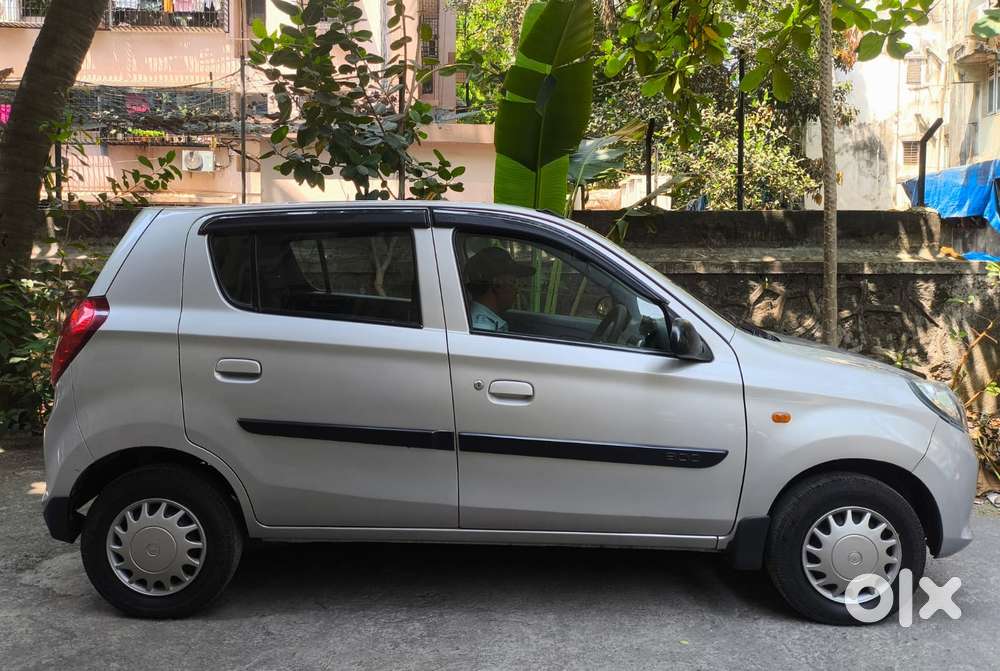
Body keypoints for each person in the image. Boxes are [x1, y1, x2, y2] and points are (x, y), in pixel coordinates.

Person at [464, 246, 535, 332]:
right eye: (513, 282)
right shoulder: (484, 328)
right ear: (497, 284)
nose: (517, 291)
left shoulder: (483, 321)